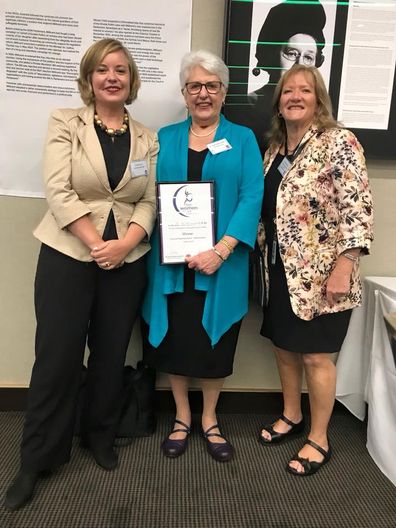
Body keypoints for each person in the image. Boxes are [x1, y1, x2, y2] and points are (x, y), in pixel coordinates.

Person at [4, 38, 158, 510]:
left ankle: (100, 436)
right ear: (89, 78)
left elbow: (147, 200)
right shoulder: (64, 123)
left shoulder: (147, 137)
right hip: (69, 253)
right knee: (57, 357)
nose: (112, 77)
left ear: (131, 80)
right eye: (102, 70)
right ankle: (38, 459)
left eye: (121, 70)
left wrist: (126, 244)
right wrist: (97, 246)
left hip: (126, 261)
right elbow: (58, 189)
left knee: (111, 354)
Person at [141, 50, 263, 462]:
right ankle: (181, 416)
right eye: (195, 86)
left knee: (216, 345)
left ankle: (209, 418)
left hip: (221, 264)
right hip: (171, 264)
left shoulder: (243, 138)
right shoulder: (165, 138)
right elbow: (147, 195)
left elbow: (252, 197)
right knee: (176, 337)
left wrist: (222, 249)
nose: (203, 93)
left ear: (224, 93)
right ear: (184, 92)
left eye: (212, 86)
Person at [257, 64, 373, 476]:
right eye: (288, 90)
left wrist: (346, 264)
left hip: (324, 279)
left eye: (305, 90)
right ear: (278, 101)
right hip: (278, 273)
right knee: (284, 349)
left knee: (317, 359)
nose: (295, 96)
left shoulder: (338, 142)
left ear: (318, 99)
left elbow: (357, 208)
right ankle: (292, 415)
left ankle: (319, 437)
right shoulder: (275, 149)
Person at [225, 0, 326, 155]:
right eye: (292, 53)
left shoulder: (335, 139)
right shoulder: (248, 108)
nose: (299, 65)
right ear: (271, 55)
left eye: (308, 57)